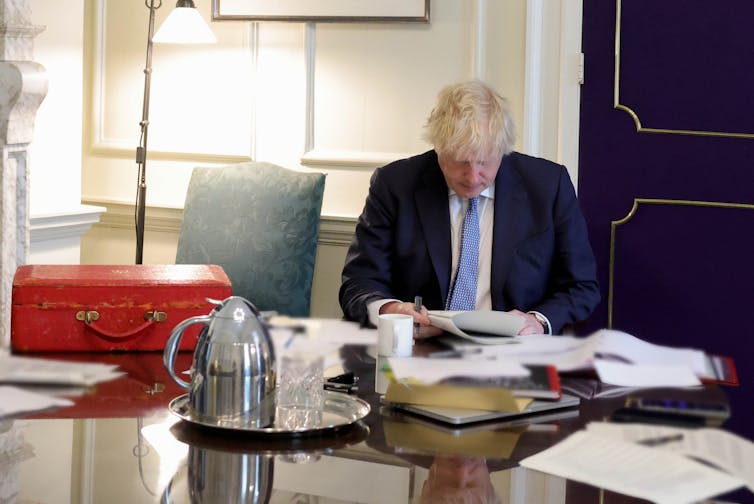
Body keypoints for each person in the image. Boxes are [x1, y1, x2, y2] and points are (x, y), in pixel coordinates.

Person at [339, 80, 599, 336]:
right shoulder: (395, 185)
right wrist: (392, 310)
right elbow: (359, 282)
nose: (473, 177)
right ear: (438, 147)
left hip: (513, 351)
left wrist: (538, 321)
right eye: (460, 162)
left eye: (484, 162)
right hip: (421, 347)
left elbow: (581, 286)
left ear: (503, 149)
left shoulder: (548, 186)